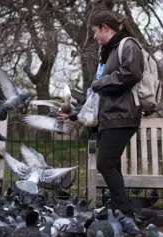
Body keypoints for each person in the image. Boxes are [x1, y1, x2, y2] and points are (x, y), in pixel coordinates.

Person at [58, 10, 144, 218]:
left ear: (106, 27)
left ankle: (124, 211)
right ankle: (119, 212)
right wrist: (73, 114)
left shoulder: (128, 45)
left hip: (123, 116)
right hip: (109, 117)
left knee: (104, 162)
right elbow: (96, 99)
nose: (94, 37)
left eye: (96, 32)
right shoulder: (107, 52)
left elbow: (132, 73)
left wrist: (100, 82)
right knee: (111, 164)